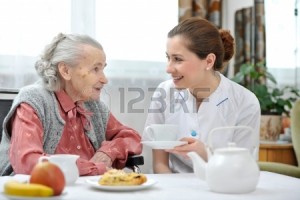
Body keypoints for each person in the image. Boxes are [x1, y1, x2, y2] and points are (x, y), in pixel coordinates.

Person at [0, 33, 142, 176]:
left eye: (103, 69)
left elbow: (132, 138)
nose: (104, 79)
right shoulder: (34, 101)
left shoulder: (93, 105)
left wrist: (108, 152)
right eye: (95, 69)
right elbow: (27, 162)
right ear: (65, 70)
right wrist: (94, 168)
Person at [143, 17, 261, 173]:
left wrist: (205, 153)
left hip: (222, 188)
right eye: (168, 58)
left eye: (177, 59)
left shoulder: (245, 102)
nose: (168, 68)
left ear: (209, 61)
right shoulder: (164, 92)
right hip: (172, 186)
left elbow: (243, 168)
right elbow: (160, 165)